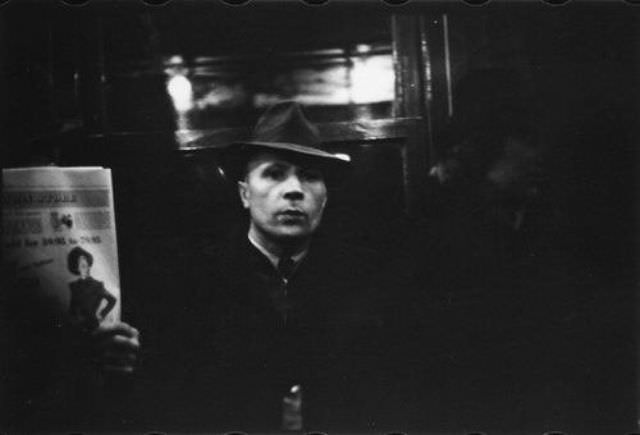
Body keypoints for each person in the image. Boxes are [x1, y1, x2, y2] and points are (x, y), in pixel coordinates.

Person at [122, 101, 389, 432]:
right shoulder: (193, 283)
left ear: (325, 198)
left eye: (309, 177)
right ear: (245, 194)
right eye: (274, 173)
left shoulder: (364, 281)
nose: (294, 190)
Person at [67, 246, 117, 331]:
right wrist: (73, 320)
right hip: (77, 327)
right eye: (81, 263)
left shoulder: (97, 285)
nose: (85, 264)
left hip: (92, 326)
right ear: (76, 267)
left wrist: (101, 315)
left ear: (89, 264)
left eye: (86, 261)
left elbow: (112, 300)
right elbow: (72, 308)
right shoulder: (74, 286)